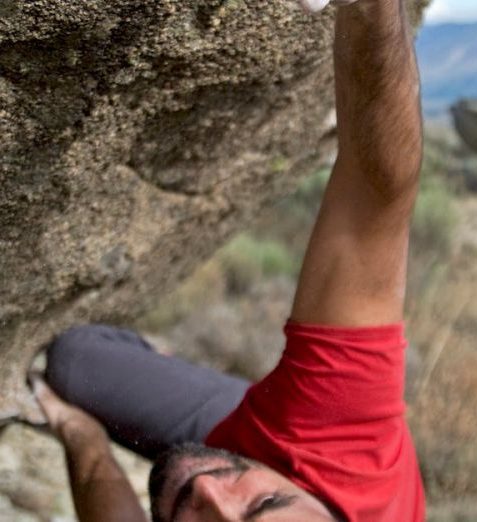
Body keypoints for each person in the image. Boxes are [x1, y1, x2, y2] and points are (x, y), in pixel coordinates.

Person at [30, 0, 425, 520]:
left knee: (74, 380)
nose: (209, 494)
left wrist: (81, 435)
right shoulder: (344, 448)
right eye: (263, 505)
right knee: (77, 363)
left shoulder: (218, 488)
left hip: (254, 447)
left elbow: (102, 483)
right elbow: (372, 201)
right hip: (278, 441)